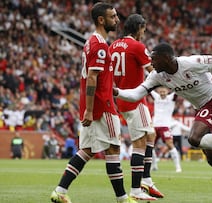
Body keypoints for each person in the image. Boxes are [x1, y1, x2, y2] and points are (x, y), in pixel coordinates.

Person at [113, 42, 212, 203]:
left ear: (166, 58)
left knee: (194, 138)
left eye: (154, 59)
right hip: (201, 108)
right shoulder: (157, 76)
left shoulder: (191, 63)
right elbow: (136, 94)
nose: (151, 63)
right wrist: (116, 91)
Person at [50, 3, 136, 203]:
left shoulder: (91, 42)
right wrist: (90, 110)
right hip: (101, 106)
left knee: (86, 151)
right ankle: (123, 199)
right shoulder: (99, 45)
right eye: (113, 17)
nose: (117, 20)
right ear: (101, 20)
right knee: (113, 149)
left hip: (93, 105)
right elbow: (91, 77)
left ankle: (60, 191)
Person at [109, 14, 162, 200]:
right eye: (143, 29)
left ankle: (146, 179)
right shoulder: (137, 47)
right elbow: (153, 71)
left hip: (121, 98)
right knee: (140, 143)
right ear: (138, 27)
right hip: (135, 98)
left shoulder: (113, 45)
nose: (144, 33)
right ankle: (137, 189)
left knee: (150, 134)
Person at [150, 86, 182, 172]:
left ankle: (178, 167)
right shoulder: (156, 97)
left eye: (164, 91)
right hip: (155, 126)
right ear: (158, 92)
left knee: (170, 145)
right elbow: (148, 88)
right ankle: (154, 165)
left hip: (165, 126)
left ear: (167, 91)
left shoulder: (171, 98)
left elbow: (178, 90)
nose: (162, 93)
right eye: (160, 91)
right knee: (150, 146)